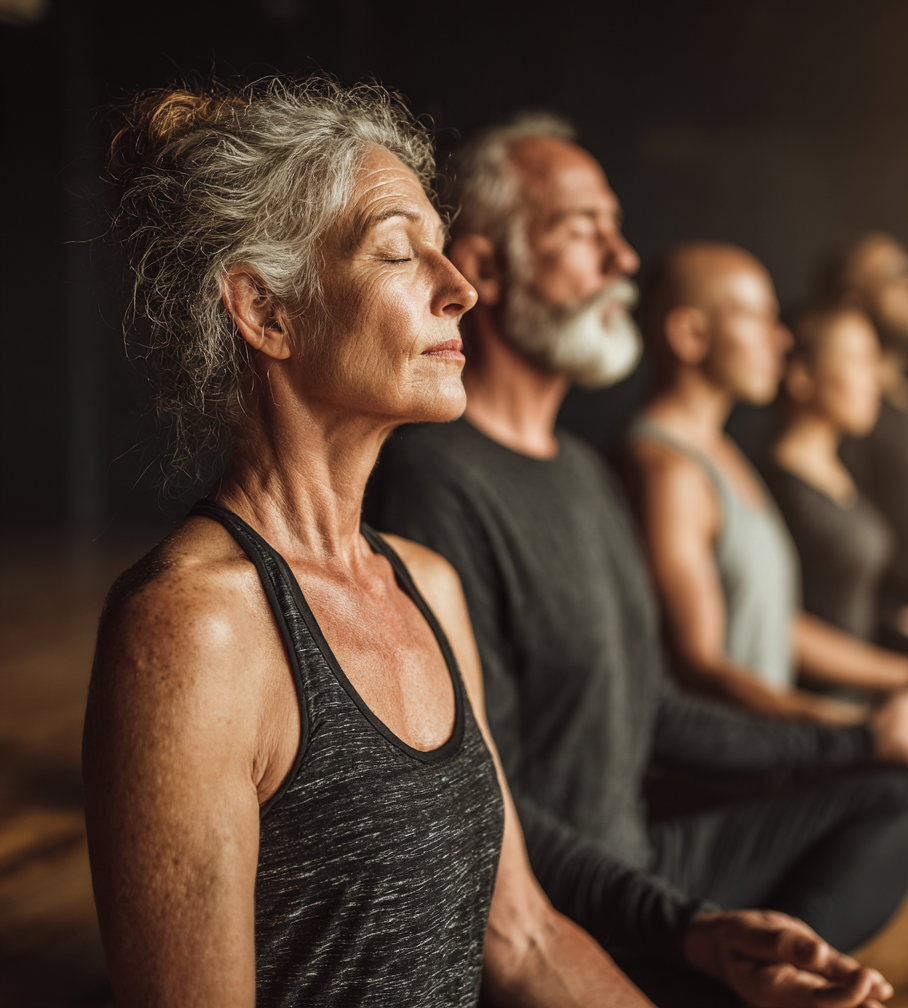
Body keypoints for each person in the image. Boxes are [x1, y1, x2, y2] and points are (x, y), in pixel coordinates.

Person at [372, 116, 908, 1007]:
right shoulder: (433, 484)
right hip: (564, 912)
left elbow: (660, 710)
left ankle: (763, 971)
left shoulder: (583, 472)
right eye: (585, 230)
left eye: (618, 229)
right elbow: (488, 815)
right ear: (483, 268)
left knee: (898, 799)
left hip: (647, 859)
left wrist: (871, 735)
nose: (624, 259)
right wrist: (684, 924)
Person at [83, 78, 674, 1008]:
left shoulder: (428, 585)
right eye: (400, 252)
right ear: (266, 312)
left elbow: (524, 938)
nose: (460, 289)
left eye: (444, 247)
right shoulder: (194, 631)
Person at [628, 243, 908, 723]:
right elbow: (701, 667)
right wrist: (858, 730)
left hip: (775, 741)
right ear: (690, 334)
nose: (782, 339)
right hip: (730, 758)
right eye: (758, 318)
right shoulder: (668, 471)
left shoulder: (723, 454)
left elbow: (777, 623)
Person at [820, 233, 908, 648]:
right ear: (854, 301)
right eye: (898, 275)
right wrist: (895, 616)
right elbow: (842, 548)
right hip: (891, 634)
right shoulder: (852, 413)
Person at [763, 303, 892, 644]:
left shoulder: (843, 467)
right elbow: (781, 622)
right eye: (859, 360)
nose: (876, 378)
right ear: (802, 376)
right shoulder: (777, 490)